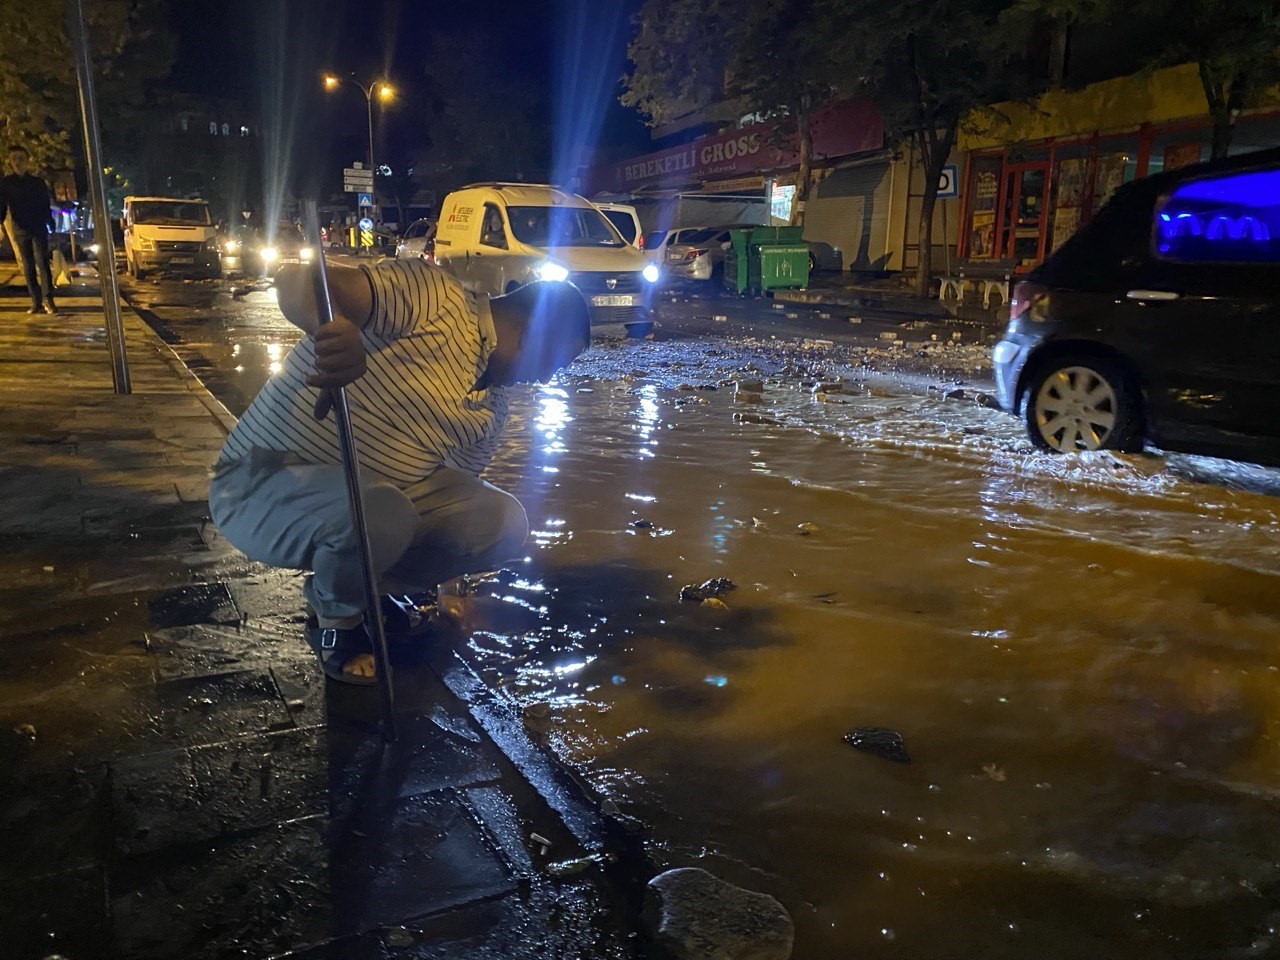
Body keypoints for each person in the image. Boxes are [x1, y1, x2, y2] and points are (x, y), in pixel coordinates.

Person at [209, 258, 591, 685]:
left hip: (369, 504)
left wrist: (451, 593)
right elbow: (297, 278)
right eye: (557, 361)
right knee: (384, 511)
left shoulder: (493, 406)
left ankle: (362, 590)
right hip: (258, 485)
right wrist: (335, 330)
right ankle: (337, 618)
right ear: (531, 333)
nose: (548, 377)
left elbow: (451, 503)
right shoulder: (438, 299)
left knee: (503, 523)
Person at [0, 146, 57, 314]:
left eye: (21, 158)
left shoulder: (37, 183)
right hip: (19, 228)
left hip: (38, 226)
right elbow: (2, 205)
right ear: (10, 161)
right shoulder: (6, 183)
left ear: (27, 161)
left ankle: (49, 300)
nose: (17, 162)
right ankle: (35, 301)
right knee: (28, 265)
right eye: (14, 158)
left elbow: (45, 205)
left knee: (42, 262)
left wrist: (50, 223)